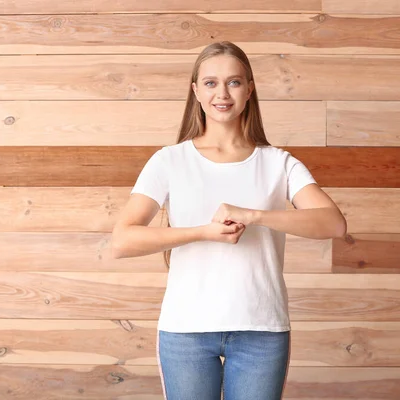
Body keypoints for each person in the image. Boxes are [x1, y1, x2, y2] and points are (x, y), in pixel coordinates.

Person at [110, 41, 347, 400]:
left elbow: (334, 224)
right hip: (186, 330)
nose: (222, 93)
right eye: (210, 83)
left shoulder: (278, 162)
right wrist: (204, 232)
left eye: (234, 82)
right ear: (195, 91)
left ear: (250, 89)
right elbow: (122, 241)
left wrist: (254, 215)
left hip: (262, 329)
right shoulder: (169, 161)